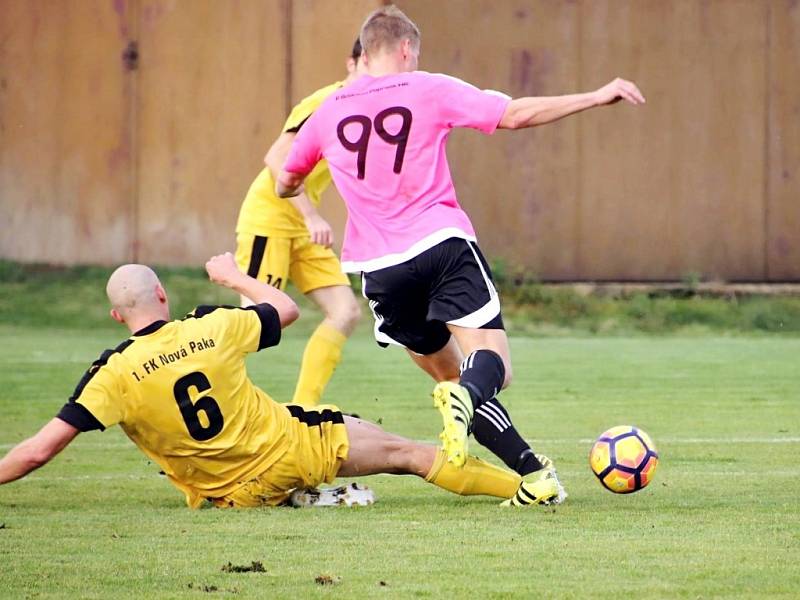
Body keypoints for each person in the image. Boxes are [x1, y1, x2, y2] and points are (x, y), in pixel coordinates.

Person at [277, 5, 646, 506]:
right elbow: (515, 114)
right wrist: (596, 97)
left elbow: (285, 179)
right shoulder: (426, 86)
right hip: (440, 245)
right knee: (490, 367)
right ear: (406, 49)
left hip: (380, 271)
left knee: (455, 375)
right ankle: (468, 400)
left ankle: (533, 475)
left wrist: (309, 193)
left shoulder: (328, 111)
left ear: (363, 52)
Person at [0, 253, 547, 508]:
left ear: (117, 316)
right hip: (291, 452)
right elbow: (284, 309)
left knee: (294, 450)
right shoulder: (211, 326)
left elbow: (38, 452)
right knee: (407, 452)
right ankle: (530, 487)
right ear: (162, 295)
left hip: (225, 495)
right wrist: (234, 276)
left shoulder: (111, 374)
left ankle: (300, 499)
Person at [233, 40, 364, 407]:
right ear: (352, 62)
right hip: (271, 220)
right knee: (254, 322)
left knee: (345, 312)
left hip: (303, 228)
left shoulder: (367, 111)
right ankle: (201, 389)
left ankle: (302, 412)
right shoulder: (328, 101)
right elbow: (276, 157)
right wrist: (311, 215)